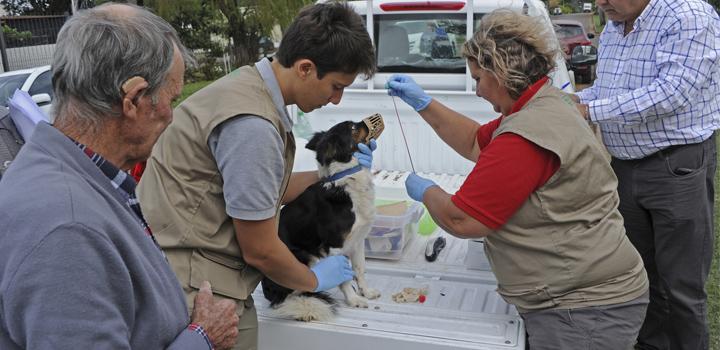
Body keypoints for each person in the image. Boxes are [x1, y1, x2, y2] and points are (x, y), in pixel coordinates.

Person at [386, 9, 649, 350]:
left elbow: (461, 219)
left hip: (583, 309)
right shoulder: (545, 104)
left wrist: (427, 191)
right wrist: (423, 103)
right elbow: (473, 142)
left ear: (500, 72)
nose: (477, 90)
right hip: (589, 293)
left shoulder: (527, 134)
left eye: (478, 78)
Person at [136, 2, 377, 349]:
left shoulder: (248, 86)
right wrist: (311, 279)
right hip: (201, 289)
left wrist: (330, 174)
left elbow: (261, 194)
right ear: (306, 68)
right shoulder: (254, 126)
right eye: (336, 86)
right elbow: (261, 251)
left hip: (180, 266)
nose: (337, 100)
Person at [0, 3, 240, 349]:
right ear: (135, 99)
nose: (172, 117)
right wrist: (203, 338)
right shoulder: (67, 227)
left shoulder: (66, 175)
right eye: (172, 98)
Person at [573, 0, 720, 348]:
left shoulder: (688, 16)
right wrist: (567, 103)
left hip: (674, 167)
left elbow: (671, 93)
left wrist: (590, 109)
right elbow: (609, 90)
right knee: (639, 275)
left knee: (681, 287)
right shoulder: (614, 24)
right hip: (625, 167)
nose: (600, 3)